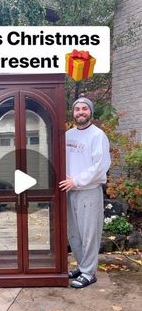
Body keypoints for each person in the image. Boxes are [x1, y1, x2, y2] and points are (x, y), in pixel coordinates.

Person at [59, 97, 111, 288]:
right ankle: (82, 266)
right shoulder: (68, 135)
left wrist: (76, 180)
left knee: (89, 233)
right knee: (74, 233)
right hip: (70, 190)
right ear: (73, 113)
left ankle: (90, 273)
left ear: (90, 112)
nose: (81, 112)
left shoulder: (98, 136)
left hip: (88, 190)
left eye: (85, 109)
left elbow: (100, 166)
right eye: (77, 109)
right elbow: (61, 158)